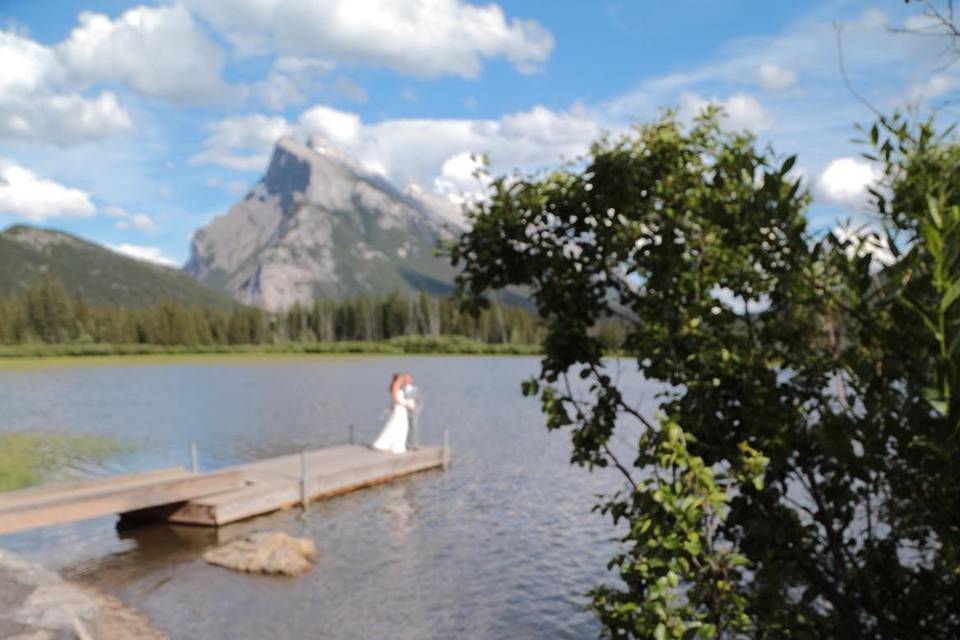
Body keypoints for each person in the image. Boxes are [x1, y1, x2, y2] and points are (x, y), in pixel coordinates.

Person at [371, 373, 415, 453]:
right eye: (400, 378)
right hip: (400, 408)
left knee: (401, 426)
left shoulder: (399, 387)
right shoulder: (395, 386)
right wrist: (405, 405)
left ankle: (398, 444)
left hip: (402, 408)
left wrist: (406, 404)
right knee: (400, 426)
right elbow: (395, 398)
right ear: (397, 379)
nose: (402, 379)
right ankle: (394, 445)